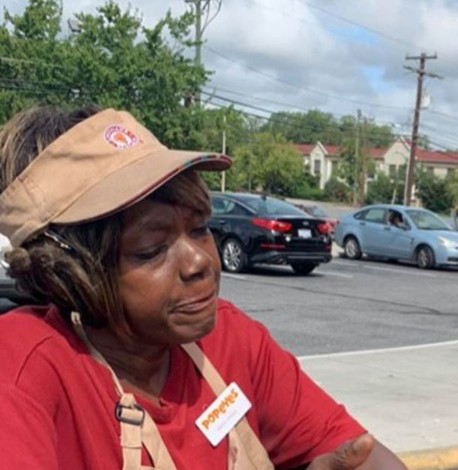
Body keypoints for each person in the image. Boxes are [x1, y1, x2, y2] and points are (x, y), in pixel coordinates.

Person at [0, 106, 407, 470]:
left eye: (199, 229)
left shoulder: (230, 340)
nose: (200, 262)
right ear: (70, 272)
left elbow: (364, 456)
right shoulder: (22, 369)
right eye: (151, 249)